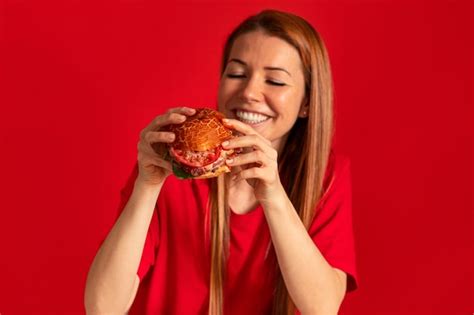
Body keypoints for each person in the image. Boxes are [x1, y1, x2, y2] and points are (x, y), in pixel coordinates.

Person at [84, 9, 358, 315]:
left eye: (275, 81)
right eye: (237, 74)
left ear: (307, 102)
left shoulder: (325, 176)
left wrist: (273, 196)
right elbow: (102, 306)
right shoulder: (171, 166)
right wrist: (147, 187)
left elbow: (322, 308)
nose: (250, 92)